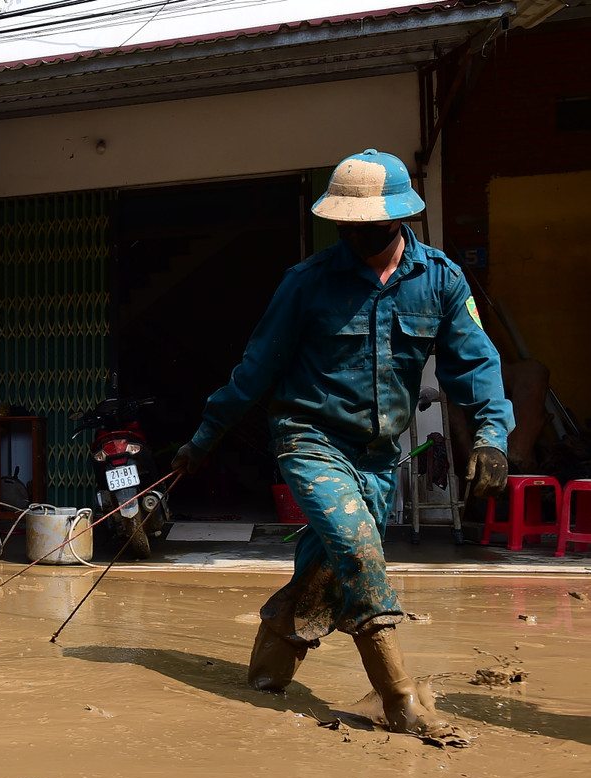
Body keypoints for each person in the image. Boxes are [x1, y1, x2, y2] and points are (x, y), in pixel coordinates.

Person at [172, 149, 513, 735]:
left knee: (328, 567)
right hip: (310, 439)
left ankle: (267, 674)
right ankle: (399, 697)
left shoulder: (441, 281)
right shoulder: (306, 284)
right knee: (358, 551)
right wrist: (201, 441)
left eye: (365, 223)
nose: (353, 233)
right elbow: (254, 369)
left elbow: (476, 365)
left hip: (380, 457)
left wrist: (491, 436)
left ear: (396, 217)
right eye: (344, 223)